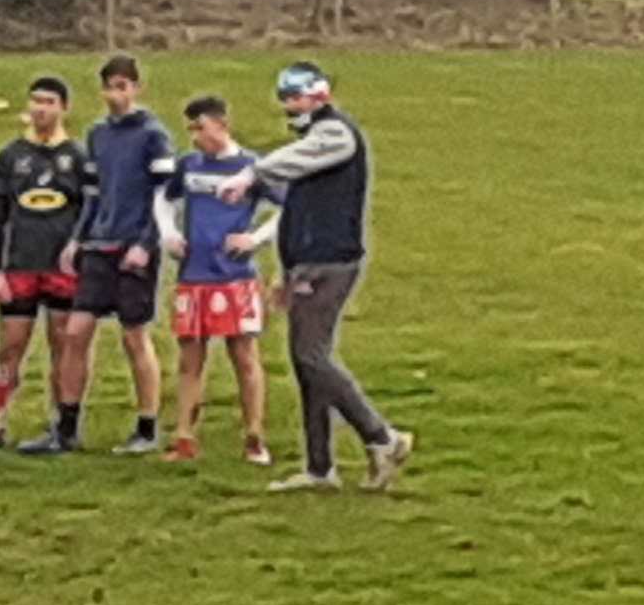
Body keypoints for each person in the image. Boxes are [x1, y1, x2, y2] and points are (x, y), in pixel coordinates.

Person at [253, 61, 409, 493]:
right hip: (307, 262)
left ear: (319, 95)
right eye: (285, 98)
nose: (289, 106)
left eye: (296, 97)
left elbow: (283, 166)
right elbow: (298, 212)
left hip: (330, 261)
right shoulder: (312, 141)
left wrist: (252, 172)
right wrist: (285, 271)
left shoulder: (335, 134)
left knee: (312, 357)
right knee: (306, 363)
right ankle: (320, 468)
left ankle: (383, 437)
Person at [54, 52, 177, 456]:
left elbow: (165, 195)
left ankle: (147, 427)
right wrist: (77, 238)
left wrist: (146, 242)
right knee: (75, 332)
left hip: (134, 246)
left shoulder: (153, 134)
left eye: (123, 87)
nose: (115, 95)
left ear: (137, 88)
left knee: (134, 336)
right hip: (99, 245)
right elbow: (93, 193)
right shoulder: (98, 134)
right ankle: (66, 427)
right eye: (109, 88)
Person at [0, 75, 94, 451]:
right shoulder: (11, 157)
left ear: (63, 108)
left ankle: (62, 423)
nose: (41, 109)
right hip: (20, 266)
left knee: (64, 345)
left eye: (49, 102)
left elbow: (90, 213)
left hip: (62, 269)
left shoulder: (78, 157)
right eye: (36, 101)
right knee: (10, 345)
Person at [164, 93, 272, 467]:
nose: (196, 137)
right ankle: (184, 437)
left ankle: (255, 436)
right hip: (193, 274)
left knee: (244, 356)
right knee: (190, 359)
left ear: (222, 125)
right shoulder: (189, 165)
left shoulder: (251, 167)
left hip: (234, 276)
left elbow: (290, 208)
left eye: (201, 128)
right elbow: (162, 198)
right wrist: (169, 233)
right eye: (191, 130)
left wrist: (255, 239)